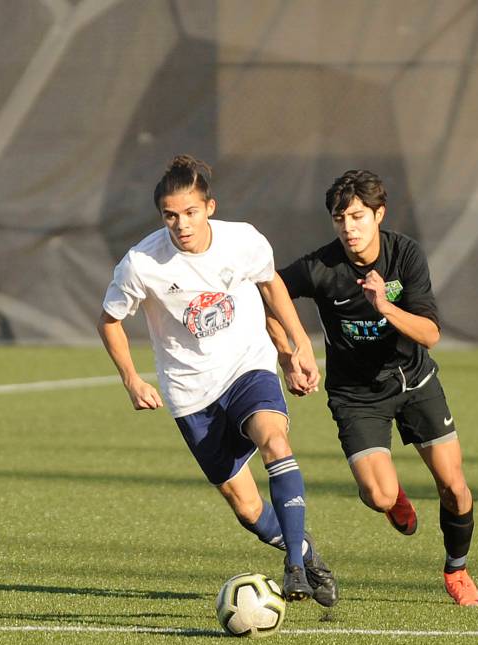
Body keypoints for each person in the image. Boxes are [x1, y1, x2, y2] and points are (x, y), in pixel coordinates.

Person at [97, 155, 337, 606]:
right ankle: (302, 547)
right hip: (190, 393)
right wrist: (130, 379)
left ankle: (293, 570)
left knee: (275, 443)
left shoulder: (242, 240)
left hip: (247, 365)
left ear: (209, 207)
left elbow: (271, 286)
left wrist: (298, 345)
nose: (181, 224)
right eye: (171, 215)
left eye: (190, 212)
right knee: (247, 509)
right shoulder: (142, 263)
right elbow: (108, 322)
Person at [274, 169, 478, 607]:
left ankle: (457, 571)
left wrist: (384, 306)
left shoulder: (405, 254)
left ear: (378, 214)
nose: (348, 228)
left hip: (415, 381)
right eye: (339, 218)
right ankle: (393, 497)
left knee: (454, 487)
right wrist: (288, 353)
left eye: (357, 216)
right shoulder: (321, 266)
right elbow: (267, 290)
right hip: (356, 395)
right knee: (379, 494)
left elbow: (429, 334)